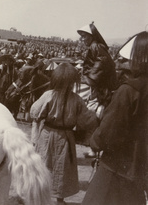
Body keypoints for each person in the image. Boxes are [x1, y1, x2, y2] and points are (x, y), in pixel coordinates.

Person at [82, 31, 148, 205]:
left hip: (116, 169)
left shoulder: (128, 90)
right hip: (140, 171)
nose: (121, 64)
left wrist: (95, 142)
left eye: (125, 60)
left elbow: (107, 133)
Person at [30, 63, 98, 205]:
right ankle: (58, 199)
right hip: (65, 137)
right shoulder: (76, 99)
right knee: (61, 167)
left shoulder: (49, 95)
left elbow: (35, 112)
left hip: (48, 135)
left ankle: (41, 197)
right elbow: (86, 120)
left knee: (45, 163)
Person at [77, 22, 117, 157]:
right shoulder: (95, 47)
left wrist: (89, 79)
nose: (82, 40)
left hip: (101, 87)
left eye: (84, 37)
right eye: (81, 37)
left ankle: (95, 145)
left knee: (95, 111)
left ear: (91, 36)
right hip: (97, 85)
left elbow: (101, 63)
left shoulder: (96, 46)